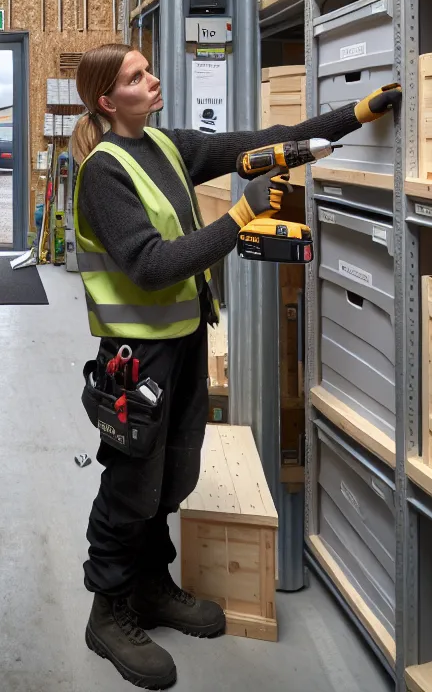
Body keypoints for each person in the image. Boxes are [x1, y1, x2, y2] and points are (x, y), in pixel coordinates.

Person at [70, 42, 400, 689]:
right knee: (133, 482)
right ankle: (108, 608)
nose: (153, 79)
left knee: (173, 476)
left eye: (147, 69)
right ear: (109, 101)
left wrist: (356, 113)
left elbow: (270, 140)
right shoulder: (105, 170)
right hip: (137, 358)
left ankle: (149, 584)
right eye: (137, 76)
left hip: (185, 339)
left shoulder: (165, 147)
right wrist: (244, 215)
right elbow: (152, 263)